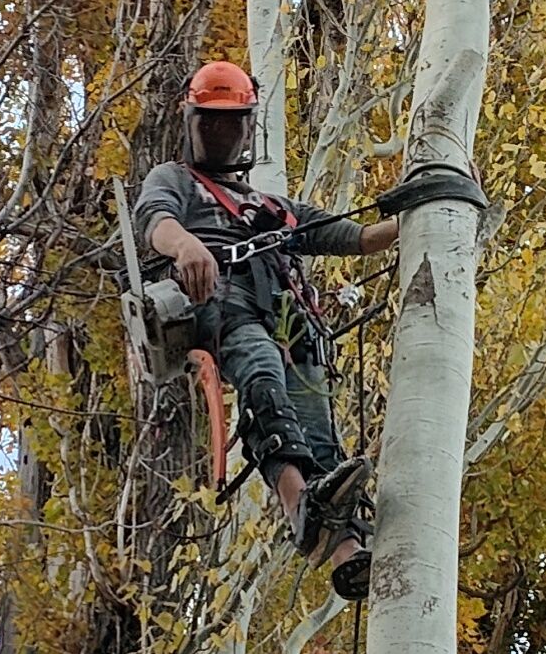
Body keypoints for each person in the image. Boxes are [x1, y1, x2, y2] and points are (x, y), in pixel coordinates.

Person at [134, 61, 398, 599]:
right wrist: (187, 246)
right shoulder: (175, 181)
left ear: (247, 129)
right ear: (191, 123)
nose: (221, 135)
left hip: (289, 314)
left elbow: (359, 237)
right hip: (224, 303)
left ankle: (345, 549)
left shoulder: (274, 208)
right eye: (210, 124)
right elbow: (155, 221)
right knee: (260, 376)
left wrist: (425, 209)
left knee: (318, 428)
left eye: (231, 125)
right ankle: (294, 497)